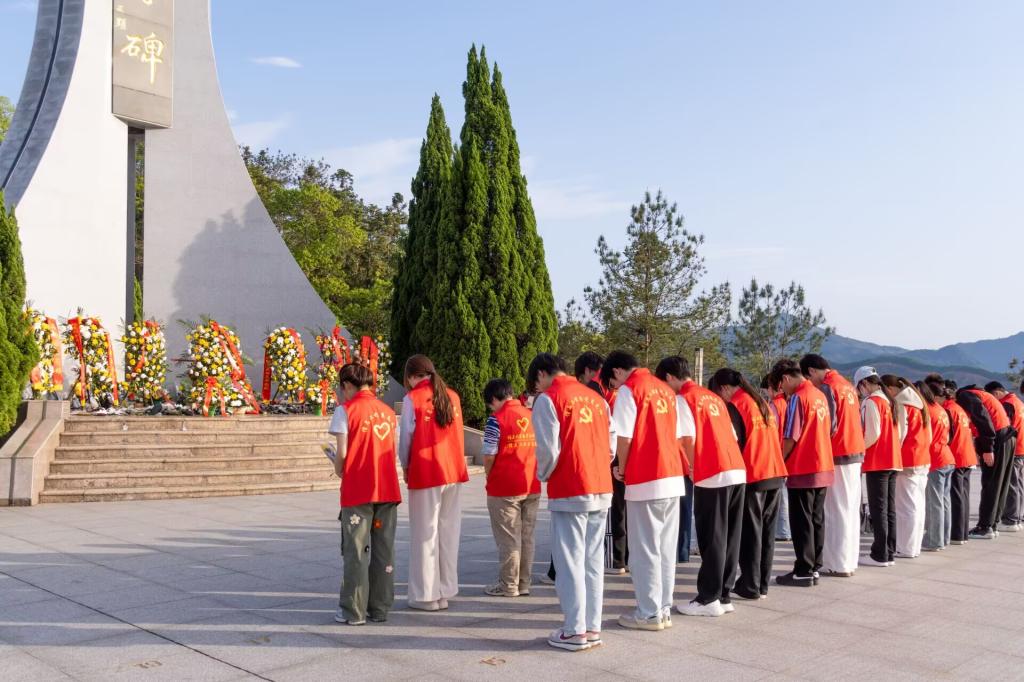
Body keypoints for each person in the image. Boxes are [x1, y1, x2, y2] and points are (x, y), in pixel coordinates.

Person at [529, 353, 615, 652]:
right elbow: (611, 443)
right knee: (592, 561)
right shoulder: (596, 398)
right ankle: (592, 626)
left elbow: (548, 449)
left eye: (536, 380)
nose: (537, 386)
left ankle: (574, 630)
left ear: (542, 374)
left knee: (570, 562)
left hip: (570, 486)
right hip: (600, 484)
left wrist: (543, 474)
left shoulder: (548, 399)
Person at [604, 351, 691, 631]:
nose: (615, 386)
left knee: (644, 550)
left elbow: (624, 437)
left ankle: (648, 612)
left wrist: (622, 468)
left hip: (646, 477)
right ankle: (663, 609)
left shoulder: (631, 390)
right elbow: (679, 436)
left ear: (617, 371)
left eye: (613, 382)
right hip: (672, 476)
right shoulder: (665, 390)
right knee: (665, 548)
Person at [657, 356, 746, 616]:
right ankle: (724, 594)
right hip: (736, 468)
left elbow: (687, 438)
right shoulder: (713, 397)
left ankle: (708, 598)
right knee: (730, 536)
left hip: (712, 471)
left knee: (712, 536)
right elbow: (733, 435)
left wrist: (693, 467)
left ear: (670, 377)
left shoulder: (684, 398)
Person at [328, 363, 401, 625]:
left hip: (358, 488)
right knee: (384, 551)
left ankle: (353, 610)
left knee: (356, 550)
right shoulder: (388, 412)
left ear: (348, 385)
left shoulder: (345, 410)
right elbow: (392, 450)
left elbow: (343, 453)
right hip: (387, 488)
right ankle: (380, 608)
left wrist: (338, 469)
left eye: (342, 388)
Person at [398, 355, 468, 611]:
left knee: (425, 534)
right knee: (448, 532)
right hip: (452, 470)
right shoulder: (452, 396)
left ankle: (426, 595)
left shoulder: (412, 399)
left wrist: (406, 466)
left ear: (410, 377)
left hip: (426, 471)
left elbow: (405, 440)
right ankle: (445, 591)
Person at [709, 368, 787, 600]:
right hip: (774, 471)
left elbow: (735, 442)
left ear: (724, 388)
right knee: (766, 533)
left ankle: (750, 585)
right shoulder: (759, 402)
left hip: (754, 472)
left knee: (751, 533)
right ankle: (761, 584)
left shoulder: (737, 405)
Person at [800, 354, 866, 578]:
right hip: (855, 451)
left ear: (811, 371)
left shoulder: (828, 387)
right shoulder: (847, 385)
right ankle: (849, 559)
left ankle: (838, 563)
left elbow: (829, 426)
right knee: (850, 508)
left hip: (838, 453)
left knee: (836, 510)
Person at [770, 359, 835, 587]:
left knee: (802, 521)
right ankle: (814, 566)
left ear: (786, 378)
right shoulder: (819, 395)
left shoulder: (799, 397)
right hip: (823, 463)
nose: (783, 392)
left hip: (804, 465)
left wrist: (779, 460)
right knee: (816, 519)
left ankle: (804, 569)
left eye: (781, 386)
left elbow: (791, 436)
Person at [481, 378, 541, 598]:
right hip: (531, 483)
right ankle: (524, 583)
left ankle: (508, 585)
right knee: (527, 537)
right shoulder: (531, 415)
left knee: (508, 538)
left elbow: (489, 454)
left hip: (505, 487)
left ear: (494, 399)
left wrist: (489, 474)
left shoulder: (496, 420)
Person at [880, 375, 931, 559]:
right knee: (918, 505)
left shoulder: (901, 405)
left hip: (908, 460)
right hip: (923, 458)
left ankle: (905, 547)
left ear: (890, 389)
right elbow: (929, 436)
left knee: (905, 507)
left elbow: (899, 435)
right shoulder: (920, 404)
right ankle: (914, 546)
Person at [956, 382, 1014, 539]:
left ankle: (985, 527)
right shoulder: (982, 394)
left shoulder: (965, 396)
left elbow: (982, 418)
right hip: (1006, 437)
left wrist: (988, 448)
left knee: (991, 484)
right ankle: (992, 524)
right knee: (999, 485)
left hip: (998, 439)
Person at [855, 367, 901, 567]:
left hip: (878, 461)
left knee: (879, 509)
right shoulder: (890, 401)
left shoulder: (871, 401)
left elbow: (872, 433)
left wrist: (859, 448)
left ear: (864, 383)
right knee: (889, 509)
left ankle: (880, 554)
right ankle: (889, 551)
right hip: (893, 459)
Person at [937, 378, 978, 544]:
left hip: (957, 456)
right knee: (963, 496)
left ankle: (957, 534)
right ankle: (962, 533)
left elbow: (947, 436)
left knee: (956, 497)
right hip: (967, 455)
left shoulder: (947, 409)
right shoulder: (958, 408)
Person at [918, 380, 955, 552]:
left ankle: (934, 540)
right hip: (947, 456)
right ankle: (943, 538)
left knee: (935, 502)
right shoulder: (940, 409)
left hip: (936, 459)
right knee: (944, 501)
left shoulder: (927, 411)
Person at [986, 381, 1024, 531]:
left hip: (1013, 449)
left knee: (1011, 485)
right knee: (1018, 484)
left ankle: (1010, 520)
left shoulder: (1007, 404)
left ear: (996, 393)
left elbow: (1004, 428)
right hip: (1021, 447)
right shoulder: (1018, 402)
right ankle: (1017, 517)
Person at [764, 374, 792, 543]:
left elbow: (772, 431)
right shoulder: (788, 402)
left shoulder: (774, 405)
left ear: (772, 388)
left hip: (778, 452)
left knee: (781, 496)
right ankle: (785, 528)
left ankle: (782, 530)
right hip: (789, 452)